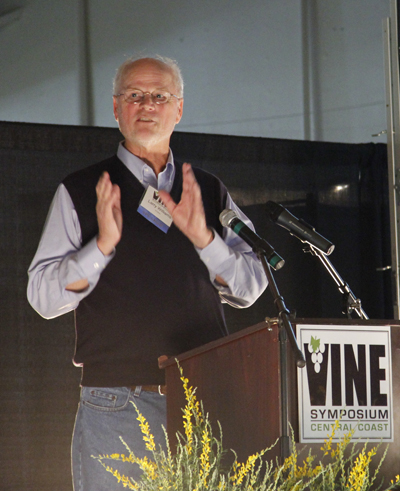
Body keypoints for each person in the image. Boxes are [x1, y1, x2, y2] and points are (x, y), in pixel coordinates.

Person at [27, 55, 267, 491]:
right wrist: (101, 247)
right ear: (116, 108)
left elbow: (251, 286)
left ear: (179, 109)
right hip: (117, 403)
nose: (147, 105)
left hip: (202, 400)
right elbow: (43, 297)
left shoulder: (207, 190)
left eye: (159, 95)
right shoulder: (82, 189)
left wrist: (205, 240)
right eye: (135, 95)